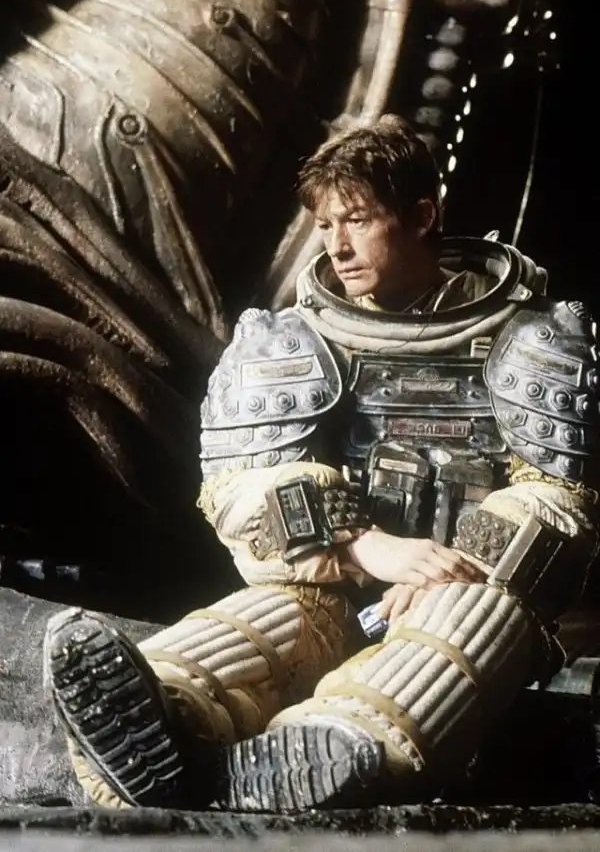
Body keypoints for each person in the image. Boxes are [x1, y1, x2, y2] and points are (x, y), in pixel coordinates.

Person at [44, 115, 600, 813]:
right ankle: (165, 712)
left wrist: (450, 571)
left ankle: (333, 749)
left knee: (465, 626)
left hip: (484, 592)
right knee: (264, 621)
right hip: (343, 584)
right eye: (326, 224)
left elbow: (559, 503)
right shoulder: (295, 341)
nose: (337, 245)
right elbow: (242, 488)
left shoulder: (533, 339)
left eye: (358, 220)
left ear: (422, 216)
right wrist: (363, 546)